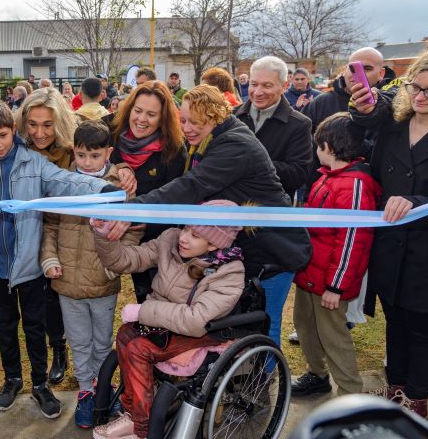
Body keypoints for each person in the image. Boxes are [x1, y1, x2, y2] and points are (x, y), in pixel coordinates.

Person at [0, 99, 117, 419]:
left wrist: (107, 187)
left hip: (29, 265)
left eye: (2, 135)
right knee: (6, 325)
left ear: (13, 131)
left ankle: (41, 385)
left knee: (35, 326)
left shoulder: (32, 162)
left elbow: (66, 181)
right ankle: (12, 379)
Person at [119, 85, 311, 351]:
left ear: (215, 118)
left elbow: (191, 185)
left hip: (274, 251)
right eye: (183, 120)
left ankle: (265, 384)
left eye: (195, 123)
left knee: (266, 324)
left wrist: (130, 210)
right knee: (240, 325)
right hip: (248, 249)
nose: (186, 128)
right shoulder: (212, 140)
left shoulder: (235, 145)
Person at [90, 201, 245, 439]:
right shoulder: (170, 240)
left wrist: (145, 311)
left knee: (138, 348)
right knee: (124, 335)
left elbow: (195, 321)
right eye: (185, 228)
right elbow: (126, 260)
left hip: (201, 332)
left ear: (214, 243)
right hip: (164, 324)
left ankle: (140, 428)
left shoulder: (230, 272)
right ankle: (134, 411)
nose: (183, 238)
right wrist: (105, 237)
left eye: (195, 235)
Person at [350, 49, 428, 418]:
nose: (421, 96)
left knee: (425, 330)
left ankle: (416, 400)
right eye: (416, 87)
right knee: (396, 321)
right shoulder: (397, 126)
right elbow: (367, 119)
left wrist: (416, 201)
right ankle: (396, 389)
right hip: (391, 249)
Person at [40, 121, 142, 429]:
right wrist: (49, 258)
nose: (87, 163)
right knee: (79, 340)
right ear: (74, 151)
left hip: (103, 282)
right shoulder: (63, 183)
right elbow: (50, 227)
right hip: (67, 281)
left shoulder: (120, 187)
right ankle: (86, 391)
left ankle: (103, 387)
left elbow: (134, 228)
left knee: (102, 340)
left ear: (108, 154)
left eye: (95, 156)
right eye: (82, 155)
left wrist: (118, 261)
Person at [291, 113, 380, 398]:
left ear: (329, 146)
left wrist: (336, 286)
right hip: (311, 273)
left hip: (329, 280)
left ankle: (350, 393)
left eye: (318, 145)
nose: (315, 151)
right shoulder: (326, 178)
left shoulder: (354, 185)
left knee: (334, 337)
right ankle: (317, 375)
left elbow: (353, 239)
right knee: (306, 326)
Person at [110, 81, 186, 304]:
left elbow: (175, 199)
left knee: (156, 296)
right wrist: (120, 167)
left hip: (155, 241)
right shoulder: (113, 135)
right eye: (138, 110)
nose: (141, 119)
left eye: (151, 114)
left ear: (163, 118)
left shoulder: (173, 151)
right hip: (117, 234)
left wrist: (146, 221)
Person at [234, 56, 313, 201]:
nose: (257, 92)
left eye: (267, 86)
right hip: (229, 208)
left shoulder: (299, 124)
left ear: (284, 86)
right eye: (254, 84)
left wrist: (251, 163)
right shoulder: (231, 116)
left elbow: (297, 175)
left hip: (271, 211)